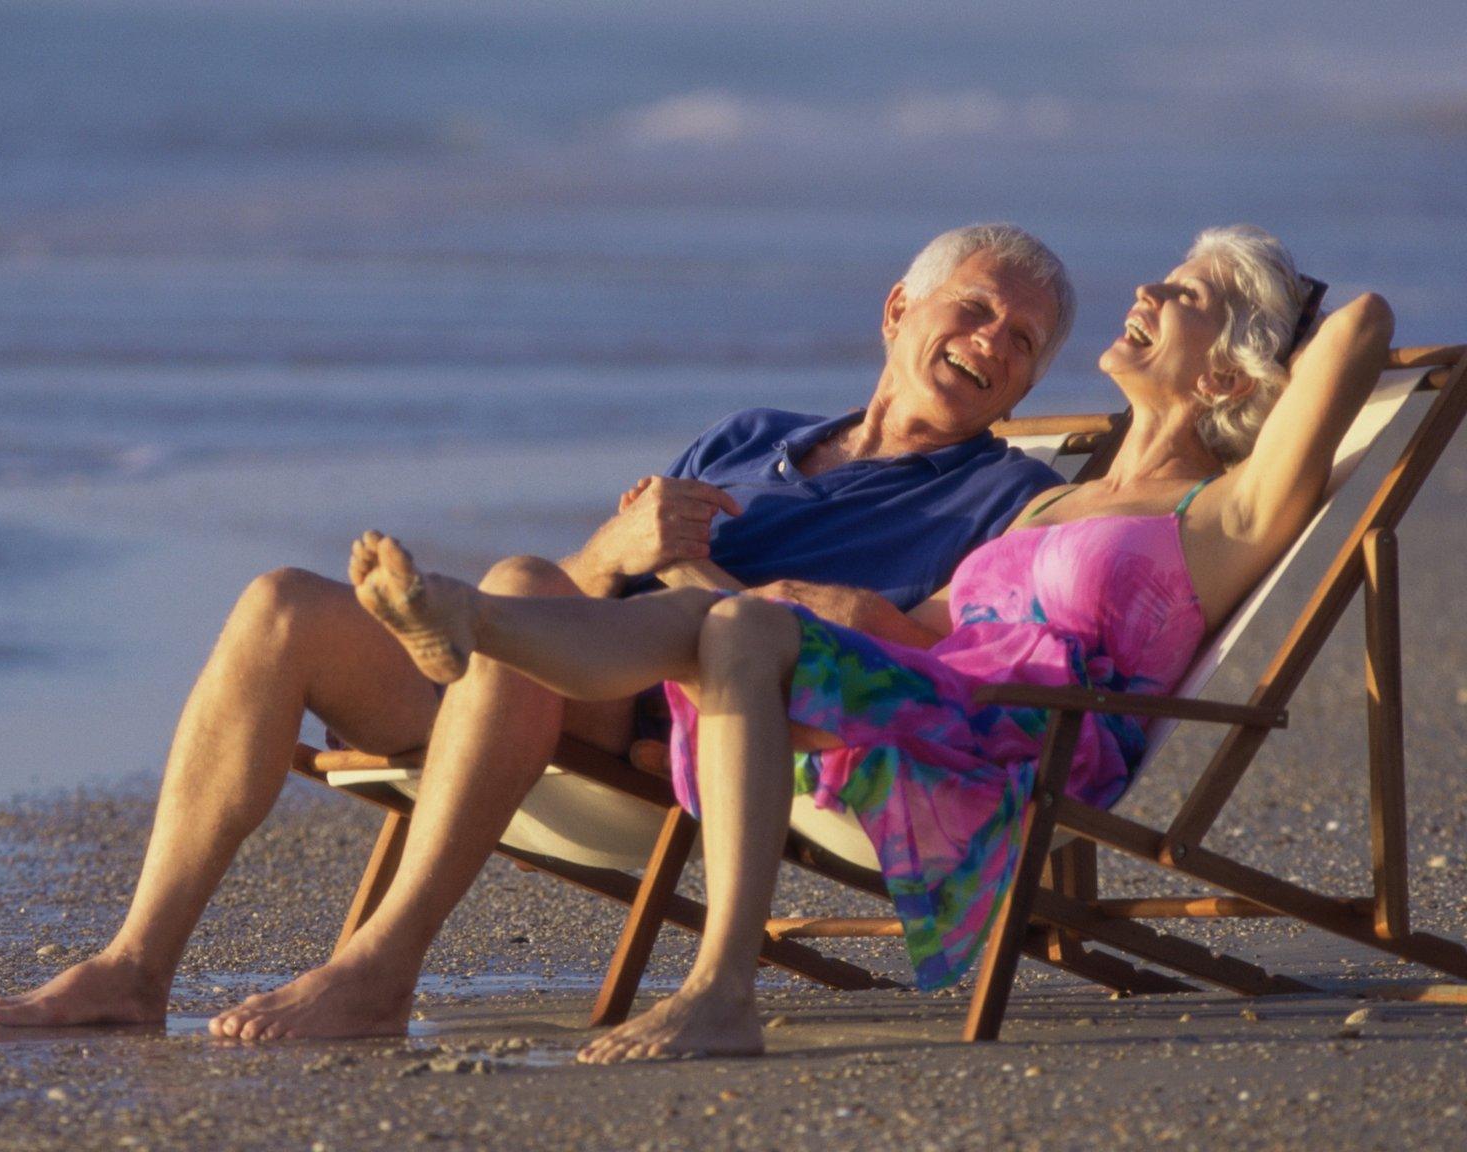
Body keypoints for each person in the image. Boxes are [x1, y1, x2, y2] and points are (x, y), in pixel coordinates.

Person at [0, 224, 1076, 1038]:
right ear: (897, 309)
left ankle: (381, 966)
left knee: (513, 591)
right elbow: (596, 583)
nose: (991, 343)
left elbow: (917, 653)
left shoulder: (997, 502)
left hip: (704, 717)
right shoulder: (752, 436)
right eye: (974, 310)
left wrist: (673, 567)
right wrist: (618, 549)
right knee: (278, 606)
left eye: (1022, 342)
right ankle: (133, 966)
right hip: (570, 672)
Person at [344, 224, 1391, 1062]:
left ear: (1225, 377)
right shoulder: (1053, 508)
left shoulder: (1223, 511)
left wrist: (1271, 322)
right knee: (726, 616)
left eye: (1183, 297)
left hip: (1009, 740)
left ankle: (719, 993)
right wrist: (838, 609)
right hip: (917, 689)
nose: (1145, 299)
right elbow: (928, 625)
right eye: (1157, 283)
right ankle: (470, 624)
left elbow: (1360, 328)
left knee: (738, 627)